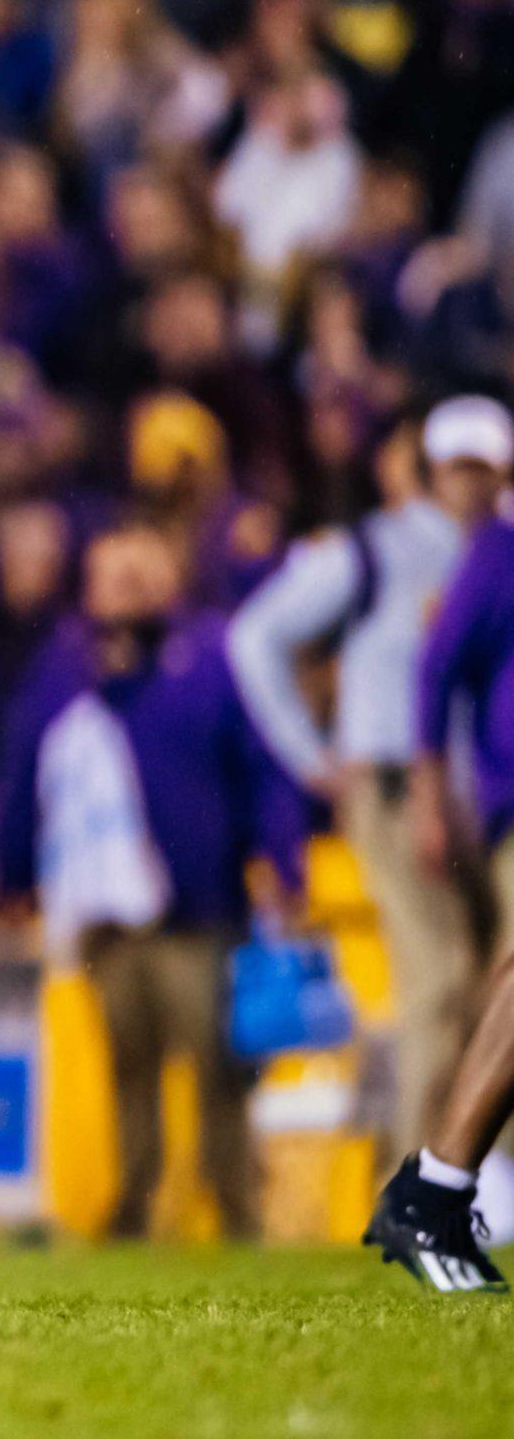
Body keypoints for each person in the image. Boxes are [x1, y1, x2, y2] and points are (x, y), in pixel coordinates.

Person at [0, 522, 307, 1241]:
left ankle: (236, 1208)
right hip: (103, 908)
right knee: (126, 1062)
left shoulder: (209, 656)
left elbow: (264, 763)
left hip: (196, 905)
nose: (130, 584)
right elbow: (23, 767)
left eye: (144, 569)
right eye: (116, 572)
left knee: (217, 1065)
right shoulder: (66, 664)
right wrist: (9, 876)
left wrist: (280, 857)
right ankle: (131, 1203)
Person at [228, 398, 513, 1158]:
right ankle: (416, 1180)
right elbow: (256, 635)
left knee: (494, 985)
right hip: (395, 786)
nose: (477, 483)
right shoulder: (378, 547)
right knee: (441, 977)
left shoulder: (493, 549)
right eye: (462, 467)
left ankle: (479, 1180)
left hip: (479, 797)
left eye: (488, 467)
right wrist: (312, 752)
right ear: (428, 471)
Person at [362, 419, 514, 1292]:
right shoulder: (497, 546)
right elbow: (436, 668)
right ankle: (436, 1187)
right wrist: (432, 790)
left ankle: (437, 1188)